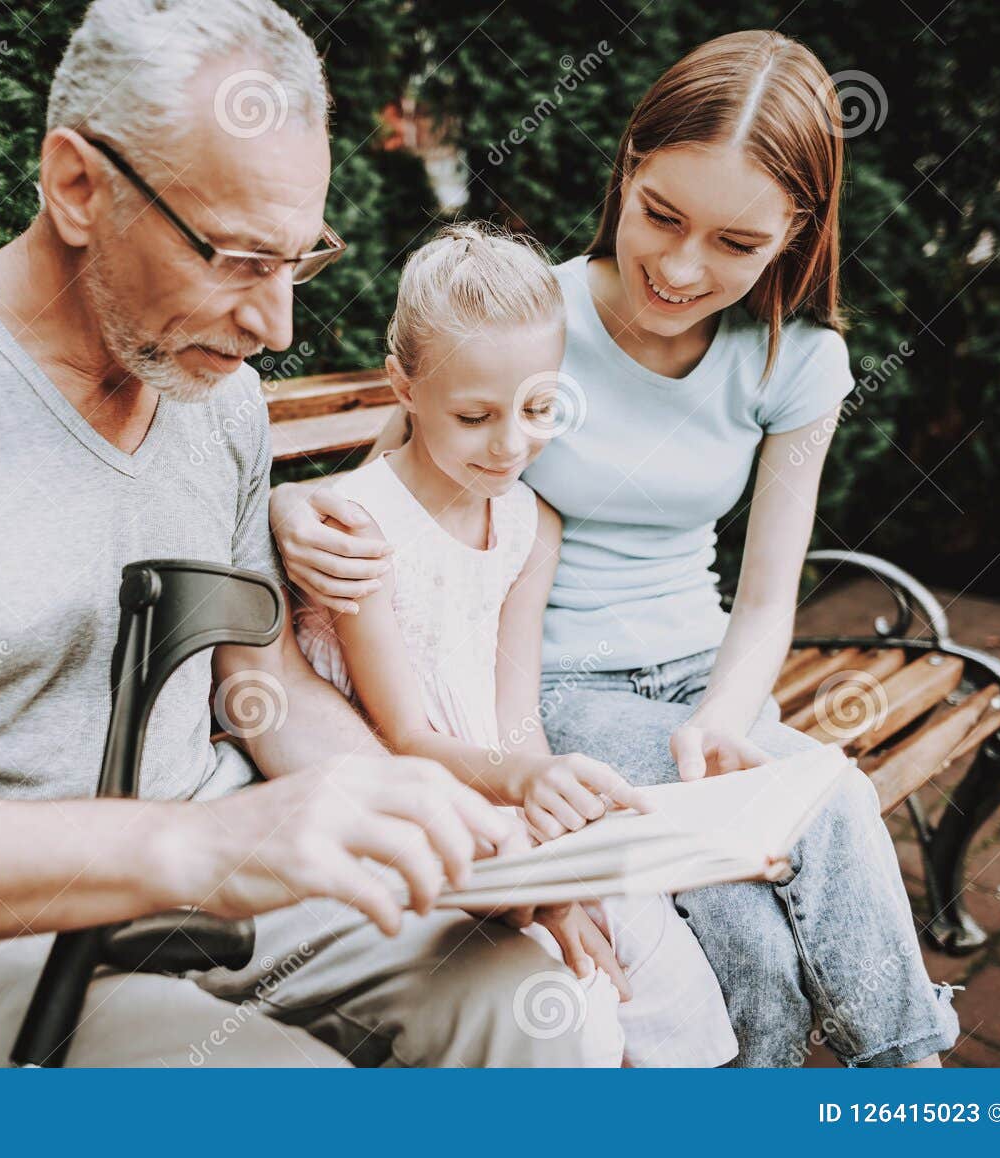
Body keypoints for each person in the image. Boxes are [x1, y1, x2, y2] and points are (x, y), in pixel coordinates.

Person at [0, 0, 625, 1068]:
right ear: (78, 185)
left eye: (296, 263)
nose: (275, 327)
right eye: (235, 259)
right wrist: (192, 848)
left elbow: (259, 688)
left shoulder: (215, 401)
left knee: (523, 1009)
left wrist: (446, 835)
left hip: (222, 881)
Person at [271, 30, 961, 1067]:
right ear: (627, 169)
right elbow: (402, 478)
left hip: (704, 678)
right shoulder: (534, 314)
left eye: (735, 244)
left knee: (774, 882)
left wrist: (724, 716)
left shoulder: (799, 359)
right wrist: (284, 514)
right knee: (805, 834)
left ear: (795, 234)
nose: (680, 269)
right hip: (560, 686)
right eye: (661, 216)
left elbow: (768, 596)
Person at [290, 222, 740, 1067]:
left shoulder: (531, 526)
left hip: (501, 793)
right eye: (474, 416)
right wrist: (528, 818)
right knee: (570, 998)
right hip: (406, 809)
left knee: (660, 961)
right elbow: (404, 736)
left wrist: (559, 839)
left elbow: (514, 717)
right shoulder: (361, 527)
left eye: (537, 409)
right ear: (405, 386)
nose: (510, 445)